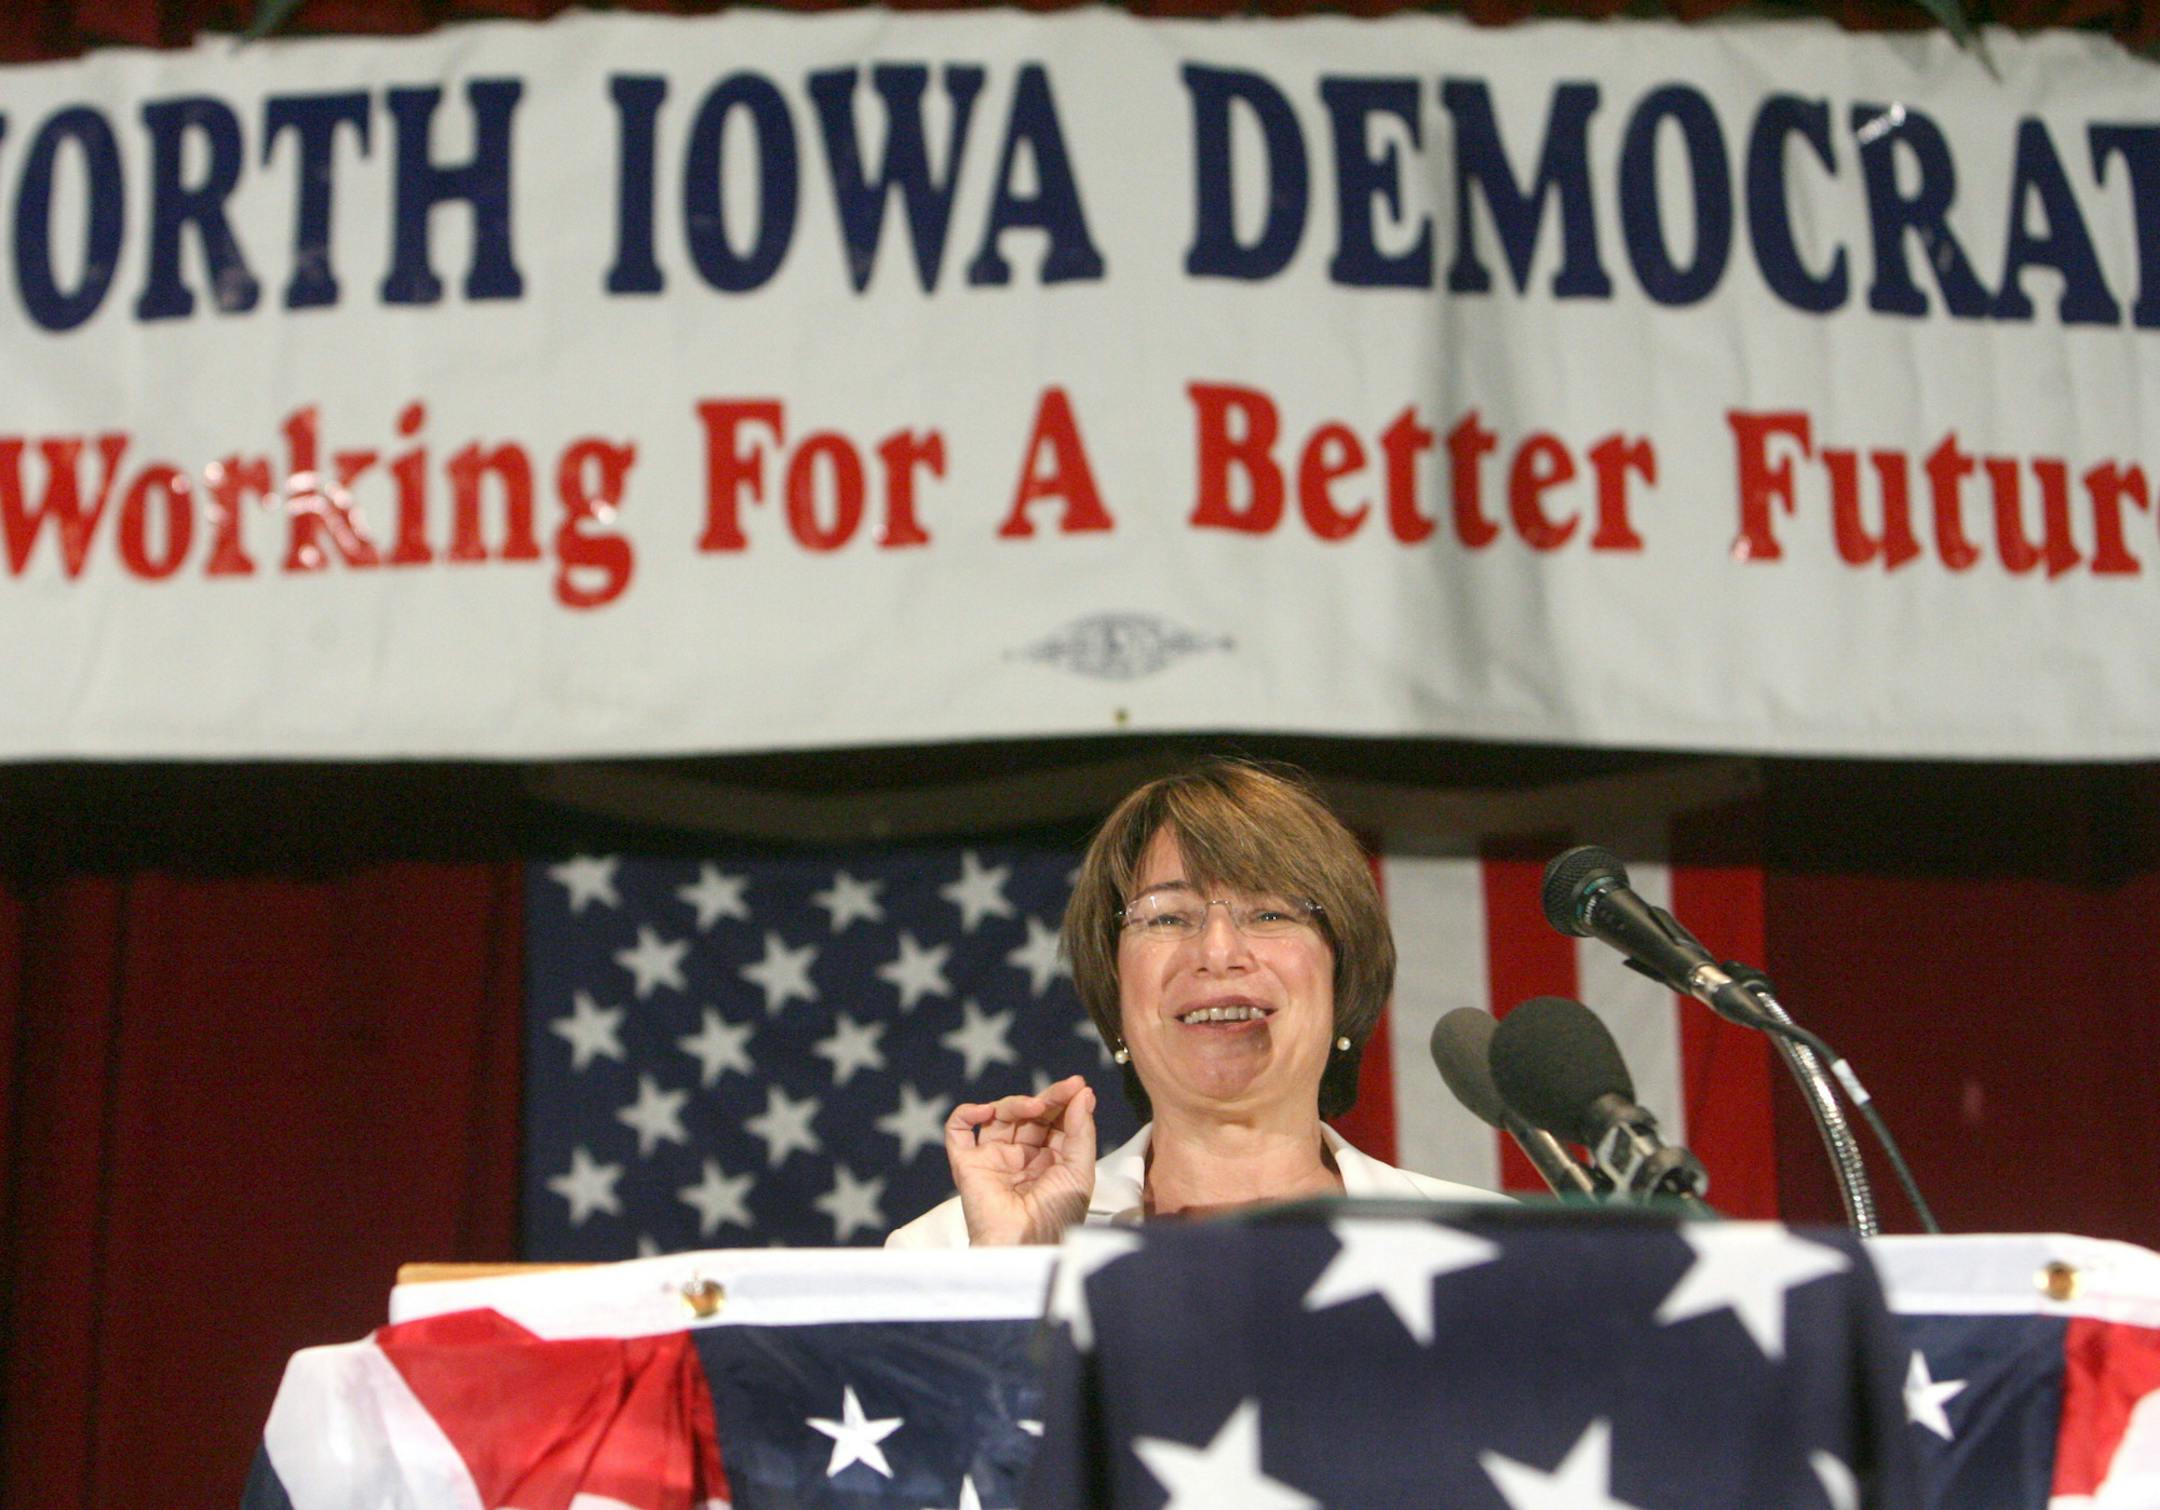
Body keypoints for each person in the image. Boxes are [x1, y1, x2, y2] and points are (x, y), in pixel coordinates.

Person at [886, 759, 1501, 1248]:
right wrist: (1019, 1273)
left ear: (1341, 975)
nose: (1218, 951)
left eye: (1269, 912)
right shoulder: (952, 1252)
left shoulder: (1491, 1249)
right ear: (1114, 983)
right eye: (1167, 917)